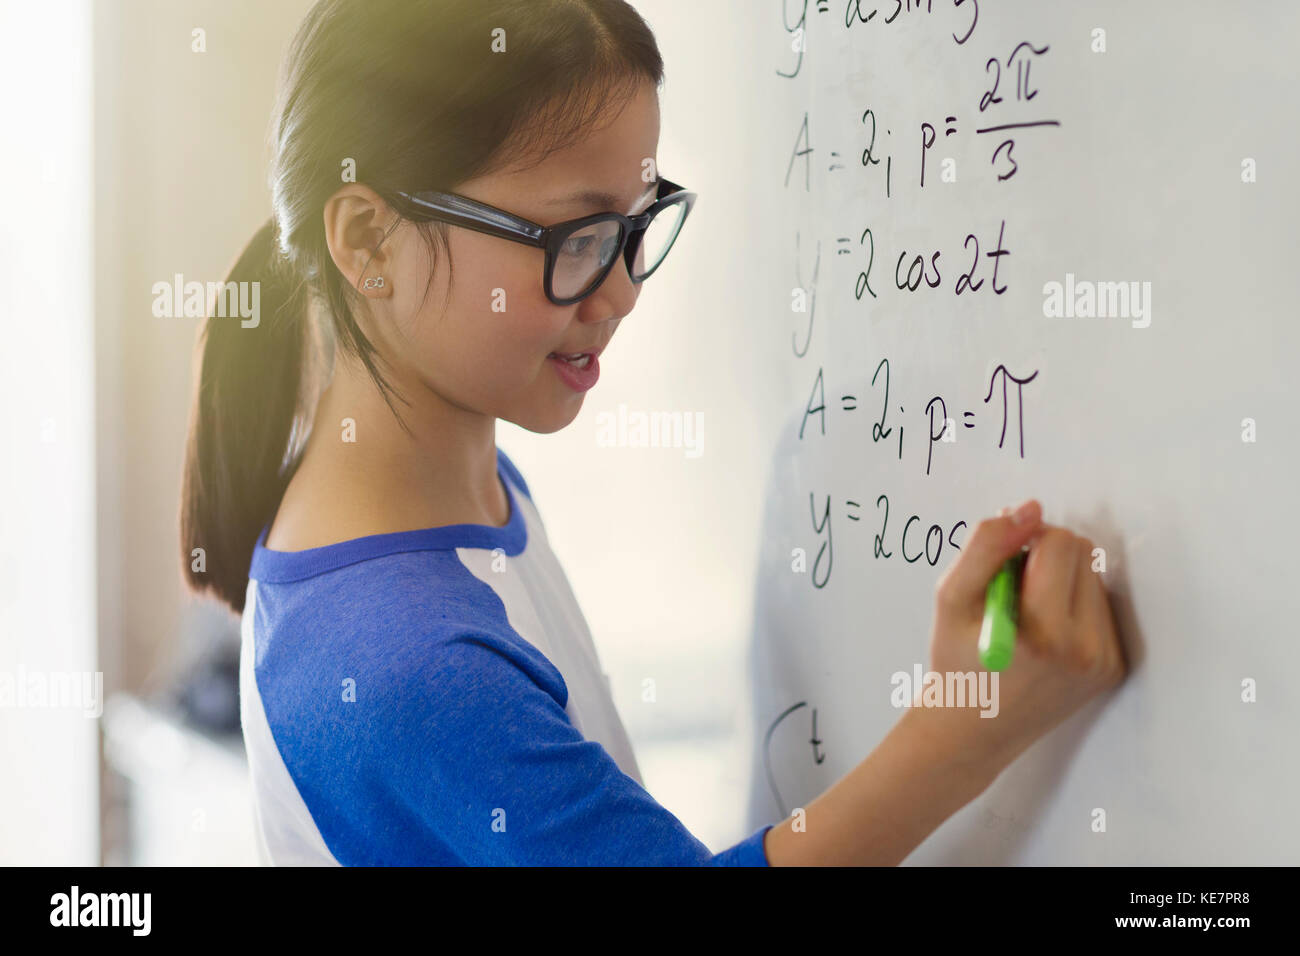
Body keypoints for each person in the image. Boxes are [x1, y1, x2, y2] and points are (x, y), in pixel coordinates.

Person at [179, 0, 1127, 866]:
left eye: (636, 227)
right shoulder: (400, 662)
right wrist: (972, 724)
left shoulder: (468, 485)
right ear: (366, 242)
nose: (623, 292)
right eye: (575, 239)